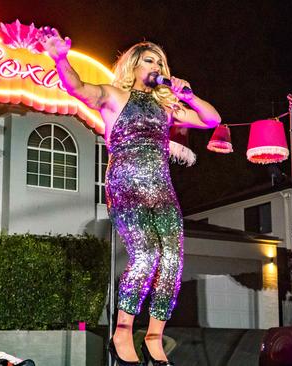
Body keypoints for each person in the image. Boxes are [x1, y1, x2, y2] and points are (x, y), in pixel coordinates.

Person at [40, 27, 221, 366]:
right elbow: (77, 88)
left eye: (162, 62)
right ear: (134, 65)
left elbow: (212, 120)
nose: (158, 66)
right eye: (150, 60)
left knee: (172, 260)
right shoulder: (113, 95)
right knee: (147, 254)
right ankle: (122, 330)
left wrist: (189, 96)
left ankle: (154, 335)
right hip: (126, 185)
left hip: (162, 188)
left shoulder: (166, 107)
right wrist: (60, 58)